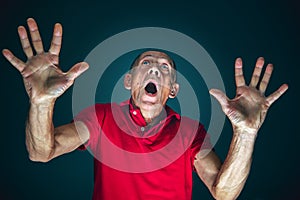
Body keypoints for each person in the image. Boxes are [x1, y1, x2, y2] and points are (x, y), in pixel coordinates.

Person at [2, 18, 288, 200]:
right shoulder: (100, 118)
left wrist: (246, 134)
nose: (154, 68)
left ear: (173, 89)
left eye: (164, 67)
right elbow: (41, 152)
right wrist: (41, 103)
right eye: (146, 63)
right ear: (129, 81)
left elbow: (224, 193)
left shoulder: (190, 133)